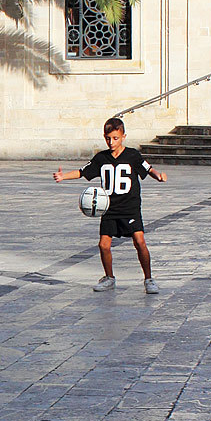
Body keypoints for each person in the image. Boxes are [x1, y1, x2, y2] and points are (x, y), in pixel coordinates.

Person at [54, 117, 167, 293]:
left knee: (139, 241)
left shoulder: (132, 155)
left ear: (123, 136)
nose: (111, 142)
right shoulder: (101, 158)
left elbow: (148, 168)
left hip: (130, 207)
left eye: (115, 138)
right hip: (109, 208)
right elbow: (83, 172)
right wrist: (63, 176)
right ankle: (109, 277)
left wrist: (159, 175)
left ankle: (148, 279)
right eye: (108, 138)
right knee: (104, 245)